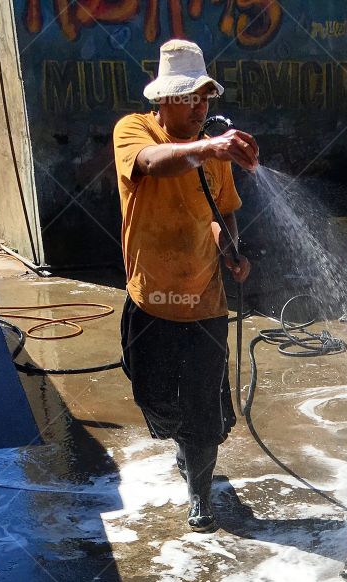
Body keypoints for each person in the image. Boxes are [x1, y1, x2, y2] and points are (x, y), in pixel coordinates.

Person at [113, 39, 259, 532]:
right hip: (150, 297)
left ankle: (200, 492)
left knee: (200, 409)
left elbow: (224, 212)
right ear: (164, 100)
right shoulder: (134, 131)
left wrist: (231, 251)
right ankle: (186, 446)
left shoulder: (212, 152)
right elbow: (154, 163)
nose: (200, 107)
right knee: (152, 396)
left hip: (204, 303)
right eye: (190, 97)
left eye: (205, 98)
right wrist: (208, 148)